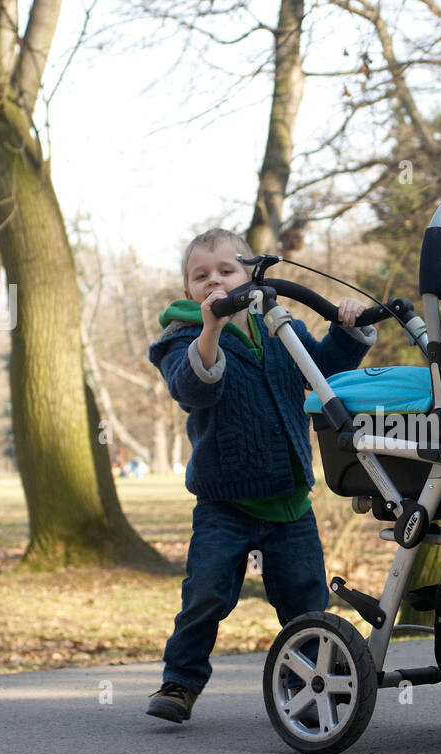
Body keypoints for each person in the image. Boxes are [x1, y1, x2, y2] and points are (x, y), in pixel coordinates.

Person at [145, 228, 376, 723]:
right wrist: (210, 329)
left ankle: (308, 691)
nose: (214, 283)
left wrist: (347, 328)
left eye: (226, 271)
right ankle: (179, 682)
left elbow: (321, 371)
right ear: (188, 290)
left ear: (249, 274)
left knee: (306, 602)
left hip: (290, 500)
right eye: (200, 276)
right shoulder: (183, 335)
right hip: (224, 502)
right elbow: (194, 387)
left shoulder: (277, 327)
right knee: (205, 594)